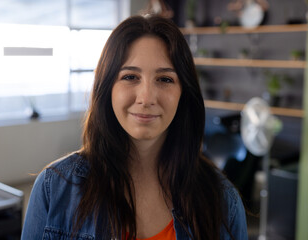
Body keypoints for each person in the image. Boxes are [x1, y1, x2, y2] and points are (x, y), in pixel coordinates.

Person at [21, 15, 248, 240]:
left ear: (184, 93)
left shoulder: (223, 200)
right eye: (130, 76)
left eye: (165, 79)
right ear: (107, 87)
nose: (146, 97)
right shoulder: (55, 188)